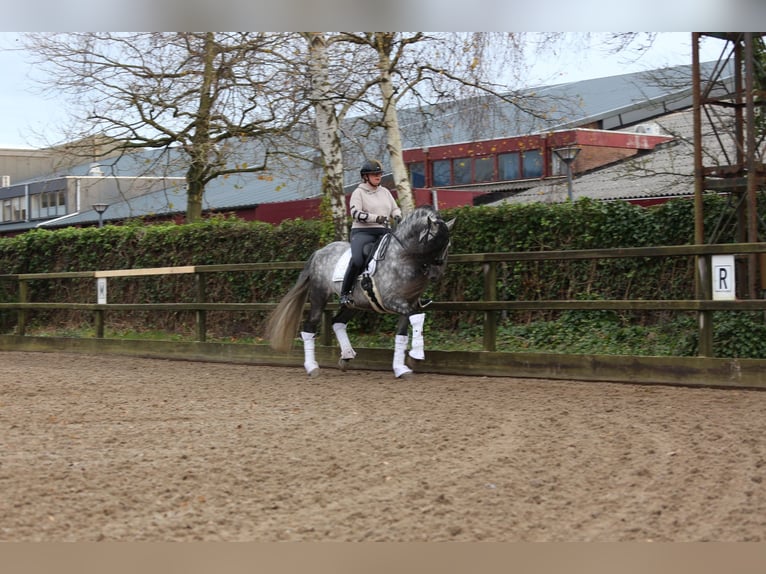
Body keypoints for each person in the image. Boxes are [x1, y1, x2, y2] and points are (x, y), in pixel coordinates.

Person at [339, 159, 402, 306]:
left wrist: (398, 215)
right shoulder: (358, 193)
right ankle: (345, 293)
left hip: (384, 232)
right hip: (363, 232)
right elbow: (355, 213)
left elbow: (394, 208)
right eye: (374, 174)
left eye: (379, 174)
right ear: (365, 177)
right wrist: (376, 218)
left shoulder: (385, 192)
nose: (378, 176)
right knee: (357, 260)